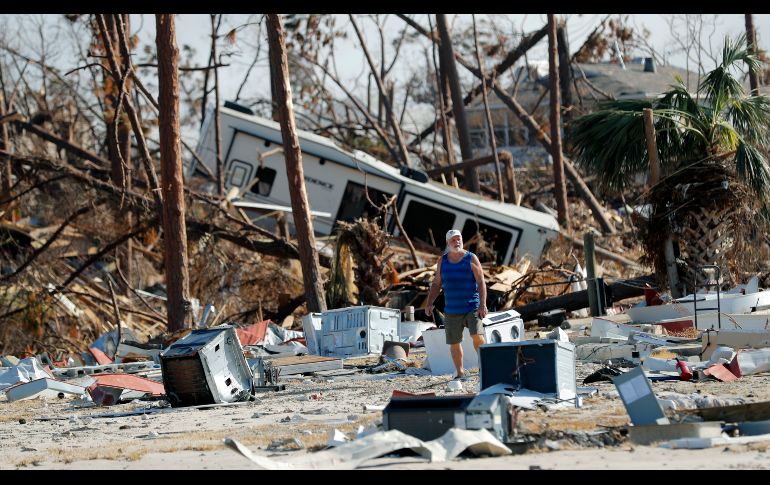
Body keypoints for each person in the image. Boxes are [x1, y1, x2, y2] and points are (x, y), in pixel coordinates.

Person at [425, 229, 487, 380]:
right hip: (452, 309)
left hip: (472, 306)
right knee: (454, 342)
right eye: (453, 240)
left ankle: (485, 368)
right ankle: (460, 373)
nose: (457, 242)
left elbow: (481, 282)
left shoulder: (471, 258)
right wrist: (429, 303)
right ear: (448, 243)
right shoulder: (443, 261)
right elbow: (436, 284)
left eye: (459, 239)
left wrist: (483, 304)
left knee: (477, 336)